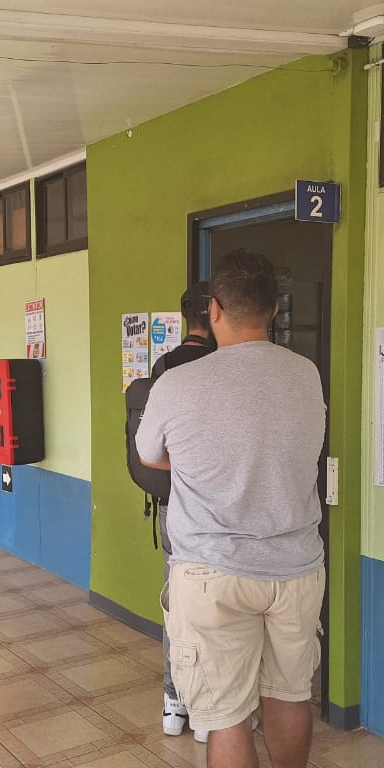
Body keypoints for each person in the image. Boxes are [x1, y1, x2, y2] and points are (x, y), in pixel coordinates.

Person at [136, 250, 326, 768]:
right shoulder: (305, 374)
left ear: (214, 311)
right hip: (296, 568)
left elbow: (150, 455)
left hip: (211, 573)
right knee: (291, 694)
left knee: (224, 718)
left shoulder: (178, 384)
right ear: (274, 309)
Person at [153, 282, 216, 743]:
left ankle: (174, 701)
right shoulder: (224, 366)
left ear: (183, 319)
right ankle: (210, 705)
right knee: (219, 604)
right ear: (217, 314)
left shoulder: (164, 367)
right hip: (217, 508)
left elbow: (150, 447)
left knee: (176, 600)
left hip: (171, 505)